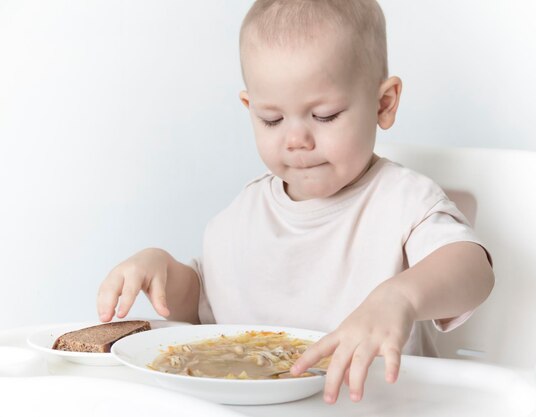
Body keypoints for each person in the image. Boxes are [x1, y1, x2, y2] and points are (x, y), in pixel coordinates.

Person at [97, 0, 494, 404]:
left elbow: (472, 270)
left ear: (383, 104)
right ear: (250, 109)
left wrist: (401, 297)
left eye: (324, 115)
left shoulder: (403, 200)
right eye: (272, 119)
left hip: (381, 406)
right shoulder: (242, 215)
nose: (296, 139)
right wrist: (160, 270)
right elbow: (201, 308)